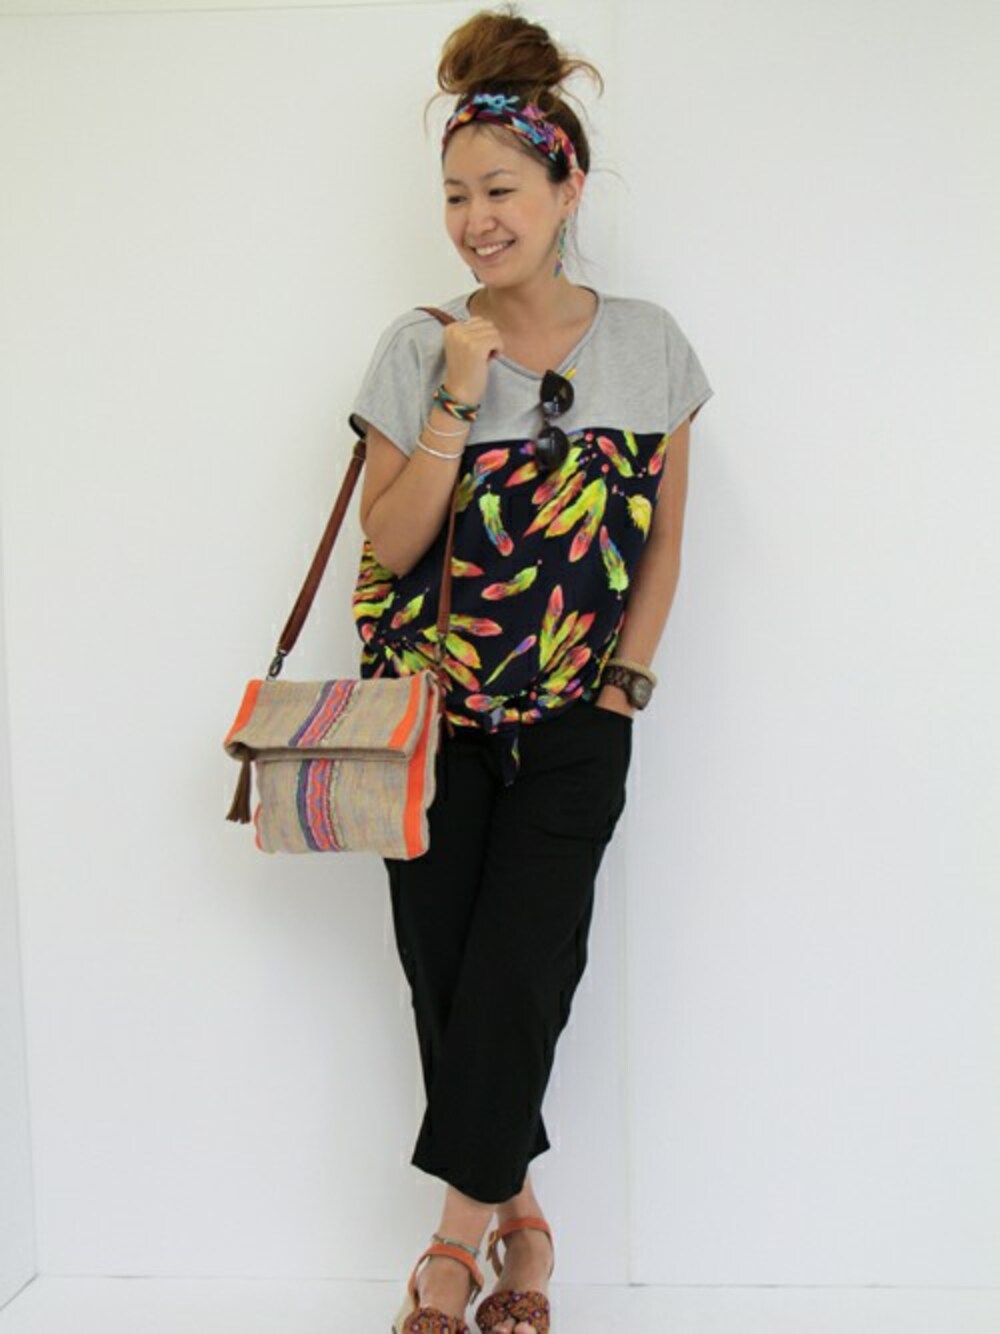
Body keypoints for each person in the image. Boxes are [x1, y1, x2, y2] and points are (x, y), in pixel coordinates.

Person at [348, 8, 713, 1333]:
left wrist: (623, 691)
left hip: (575, 721)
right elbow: (389, 543)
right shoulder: (419, 344)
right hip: (427, 720)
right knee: (449, 977)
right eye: (455, 195)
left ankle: (450, 1251)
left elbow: (664, 543)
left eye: (500, 190)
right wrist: (458, 391)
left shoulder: (650, 346)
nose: (475, 220)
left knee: (520, 973)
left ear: (568, 188)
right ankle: (527, 1225)